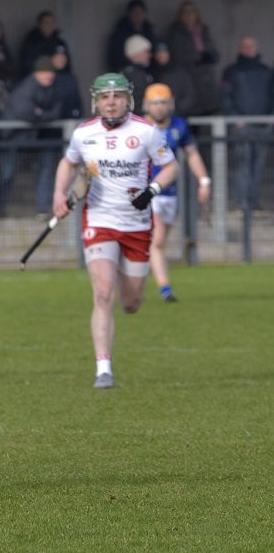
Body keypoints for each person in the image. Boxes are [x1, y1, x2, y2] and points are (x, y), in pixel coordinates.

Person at [53, 74, 178, 389]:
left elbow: (172, 166)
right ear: (96, 101)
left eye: (118, 96)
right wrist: (59, 194)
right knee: (103, 292)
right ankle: (103, 369)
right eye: (105, 97)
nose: (111, 102)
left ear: (128, 100)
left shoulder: (146, 132)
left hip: (136, 226)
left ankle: (129, 281)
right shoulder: (84, 134)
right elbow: (69, 164)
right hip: (99, 220)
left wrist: (151, 190)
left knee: (131, 302)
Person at [141, 84, 211, 303]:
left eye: (163, 102)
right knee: (158, 239)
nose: (159, 107)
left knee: (157, 242)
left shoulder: (179, 126)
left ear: (170, 103)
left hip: (170, 193)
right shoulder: (139, 127)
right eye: (155, 103)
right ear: (146, 105)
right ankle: (165, 288)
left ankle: (143, 275)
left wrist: (204, 181)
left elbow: (191, 154)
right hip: (147, 192)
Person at [0, 56, 63, 218]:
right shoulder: (27, 87)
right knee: (4, 173)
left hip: (26, 139)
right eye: (45, 72)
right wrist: (40, 114)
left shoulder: (49, 88)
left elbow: (56, 110)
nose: (49, 76)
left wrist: (41, 113)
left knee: (9, 175)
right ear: (37, 73)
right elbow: (26, 112)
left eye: (51, 73)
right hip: (12, 137)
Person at [220, 36, 274, 211]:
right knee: (242, 165)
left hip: (263, 126)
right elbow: (225, 97)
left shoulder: (267, 71)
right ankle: (241, 202)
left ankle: (253, 200)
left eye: (252, 46)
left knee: (258, 166)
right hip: (242, 126)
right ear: (239, 49)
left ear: (257, 48)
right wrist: (235, 117)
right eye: (245, 46)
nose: (249, 49)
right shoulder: (231, 72)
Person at [166, 0, 220, 116]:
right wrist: (198, 57)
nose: (189, 15)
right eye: (185, 12)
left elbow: (214, 52)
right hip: (188, 79)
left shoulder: (203, 30)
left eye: (192, 12)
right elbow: (177, 55)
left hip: (206, 81)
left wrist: (209, 56)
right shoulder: (175, 32)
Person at [106, 0, 156, 72]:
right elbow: (114, 58)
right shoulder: (120, 33)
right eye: (135, 12)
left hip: (147, 73)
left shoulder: (149, 30)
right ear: (129, 14)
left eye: (141, 12)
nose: (138, 15)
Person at [120, 35, 154, 112]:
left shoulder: (143, 72)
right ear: (136, 53)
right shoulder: (131, 75)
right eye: (146, 52)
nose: (149, 55)